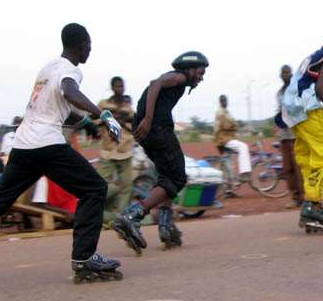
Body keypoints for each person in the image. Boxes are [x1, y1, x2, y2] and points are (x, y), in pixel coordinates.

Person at [0, 23, 125, 285]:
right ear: (81, 43)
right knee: (94, 188)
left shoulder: (48, 68)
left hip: (23, 145)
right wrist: (103, 115)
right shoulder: (70, 71)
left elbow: (51, 106)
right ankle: (84, 258)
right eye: (89, 45)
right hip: (47, 144)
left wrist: (86, 123)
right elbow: (68, 91)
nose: (90, 50)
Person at [112, 51, 209, 253]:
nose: (201, 76)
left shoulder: (180, 81)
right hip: (156, 128)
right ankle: (131, 216)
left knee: (167, 176)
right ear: (190, 69)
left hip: (153, 128)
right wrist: (148, 119)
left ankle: (165, 225)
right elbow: (155, 84)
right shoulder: (180, 77)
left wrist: (146, 120)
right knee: (177, 178)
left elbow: (155, 85)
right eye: (200, 71)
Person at [280, 21, 323, 232]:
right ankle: (312, 204)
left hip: (293, 111)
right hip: (308, 108)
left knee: (308, 157)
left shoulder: (314, 56)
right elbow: (320, 89)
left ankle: (313, 205)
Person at [97, 76, 135, 226]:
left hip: (124, 150)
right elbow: (95, 118)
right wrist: (110, 119)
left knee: (127, 186)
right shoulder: (103, 104)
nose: (120, 89)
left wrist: (122, 121)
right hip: (107, 150)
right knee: (102, 184)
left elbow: (133, 125)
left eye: (122, 86)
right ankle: (103, 215)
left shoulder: (128, 108)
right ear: (112, 88)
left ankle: (122, 218)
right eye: (117, 86)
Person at [276, 64, 303, 208]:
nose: (285, 75)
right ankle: (295, 196)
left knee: (298, 166)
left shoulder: (295, 90)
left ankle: (304, 196)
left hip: (294, 134)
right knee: (287, 168)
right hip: (283, 135)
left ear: (291, 74)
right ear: (280, 75)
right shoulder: (279, 93)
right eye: (283, 73)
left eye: (288, 72)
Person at [214, 94, 252, 181]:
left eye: (226, 100)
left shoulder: (226, 111)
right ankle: (244, 173)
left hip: (226, 139)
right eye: (223, 101)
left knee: (230, 166)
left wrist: (235, 124)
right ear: (220, 102)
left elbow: (232, 123)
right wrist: (235, 124)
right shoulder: (221, 112)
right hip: (224, 140)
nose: (225, 102)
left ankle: (229, 190)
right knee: (243, 146)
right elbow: (227, 125)